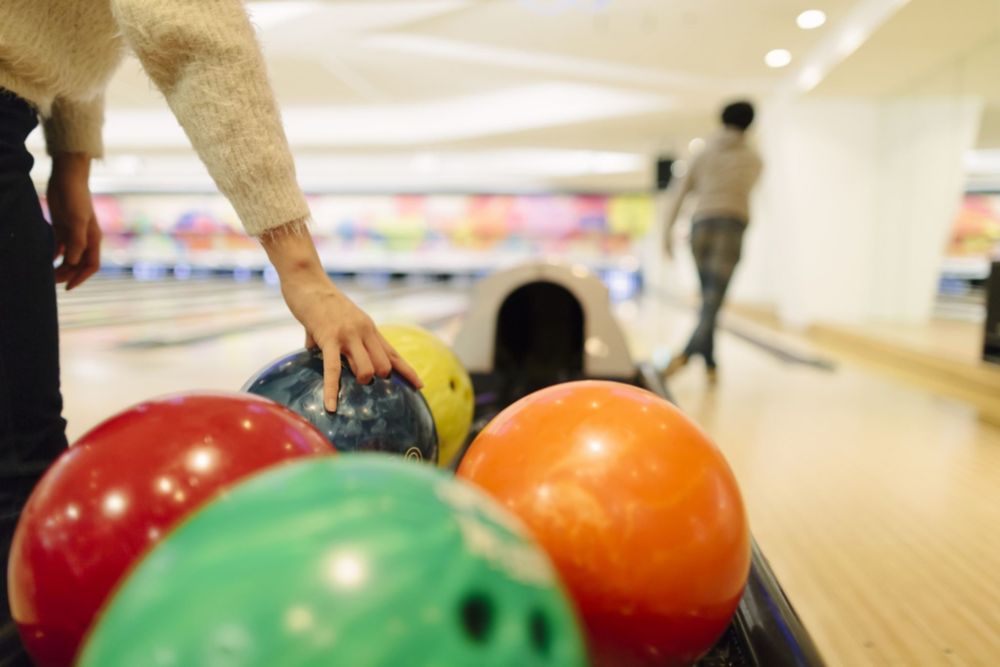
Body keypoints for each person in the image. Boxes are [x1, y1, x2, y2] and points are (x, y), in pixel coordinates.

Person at [0, 2, 420, 660]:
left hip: (17, 120)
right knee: (19, 467)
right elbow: (191, 31)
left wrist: (72, 160)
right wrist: (302, 270)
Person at [662, 100, 763, 384]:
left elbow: (678, 195)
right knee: (713, 299)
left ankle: (708, 358)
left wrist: (666, 235)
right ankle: (686, 353)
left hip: (701, 226)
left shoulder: (703, 154)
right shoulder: (754, 159)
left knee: (709, 298)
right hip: (731, 227)